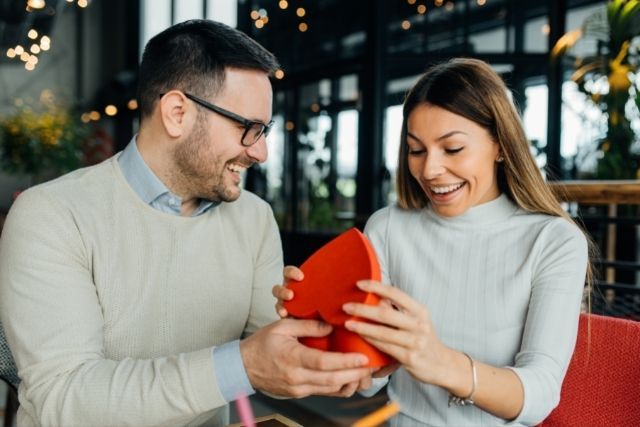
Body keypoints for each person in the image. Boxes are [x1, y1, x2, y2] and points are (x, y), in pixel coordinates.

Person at [0, 20, 373, 427]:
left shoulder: (253, 218)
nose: (262, 152)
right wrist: (241, 366)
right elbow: (66, 399)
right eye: (249, 128)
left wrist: (363, 349)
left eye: (263, 131)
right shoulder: (52, 215)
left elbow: (278, 358)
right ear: (177, 113)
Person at [275, 58, 590, 426]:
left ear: (501, 145)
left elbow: (540, 394)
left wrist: (439, 361)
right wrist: (315, 327)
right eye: (416, 150)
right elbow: (363, 382)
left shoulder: (553, 240)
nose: (429, 170)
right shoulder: (389, 228)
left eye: (452, 149)